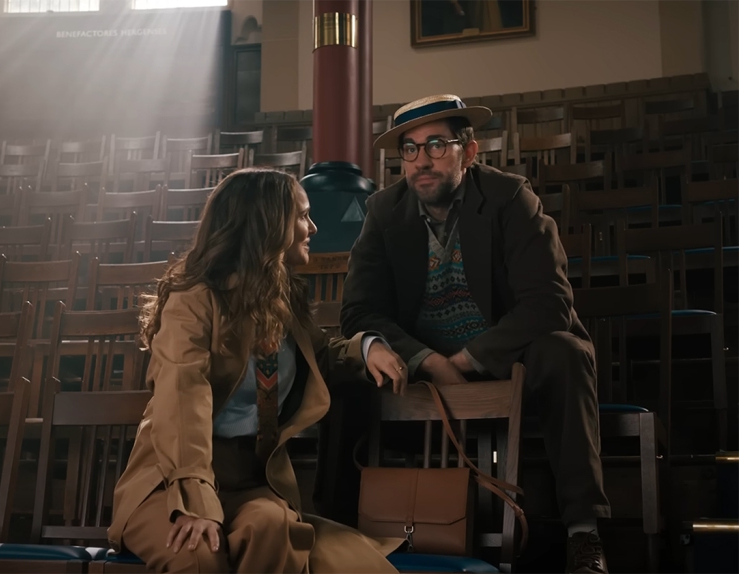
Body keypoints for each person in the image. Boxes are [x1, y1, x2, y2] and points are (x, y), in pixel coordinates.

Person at [338, 95, 610, 574]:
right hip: (419, 368)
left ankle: (583, 532)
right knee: (344, 369)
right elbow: (360, 312)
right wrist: (427, 361)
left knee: (564, 351)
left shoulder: (510, 197)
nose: (422, 160)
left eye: (437, 145)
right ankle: (334, 532)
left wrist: (462, 363)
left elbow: (549, 303)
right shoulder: (383, 211)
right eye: (410, 149)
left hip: (505, 358)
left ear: (469, 151)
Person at [107, 168, 407, 573]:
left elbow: (321, 356)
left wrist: (366, 348)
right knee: (197, 555)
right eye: (302, 215)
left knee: (272, 527)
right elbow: (183, 395)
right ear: (268, 224)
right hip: (170, 477)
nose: (313, 227)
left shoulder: (282, 300)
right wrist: (195, 499)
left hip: (249, 481)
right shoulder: (193, 300)